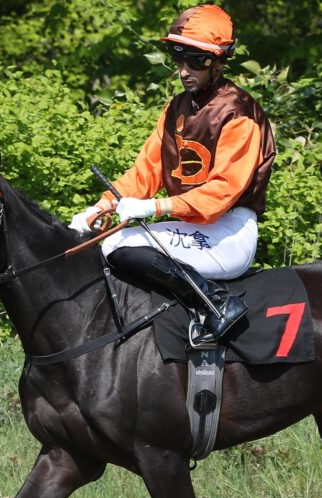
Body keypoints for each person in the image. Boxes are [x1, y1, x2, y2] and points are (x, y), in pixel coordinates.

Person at [69, 4, 276, 344]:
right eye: (178, 59)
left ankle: (216, 304)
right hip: (191, 227)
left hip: (228, 230)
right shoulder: (176, 108)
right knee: (105, 243)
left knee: (119, 246)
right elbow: (144, 174)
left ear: (219, 61)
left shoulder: (239, 112)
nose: (183, 70)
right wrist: (99, 209)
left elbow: (222, 193)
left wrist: (154, 208)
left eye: (195, 60)